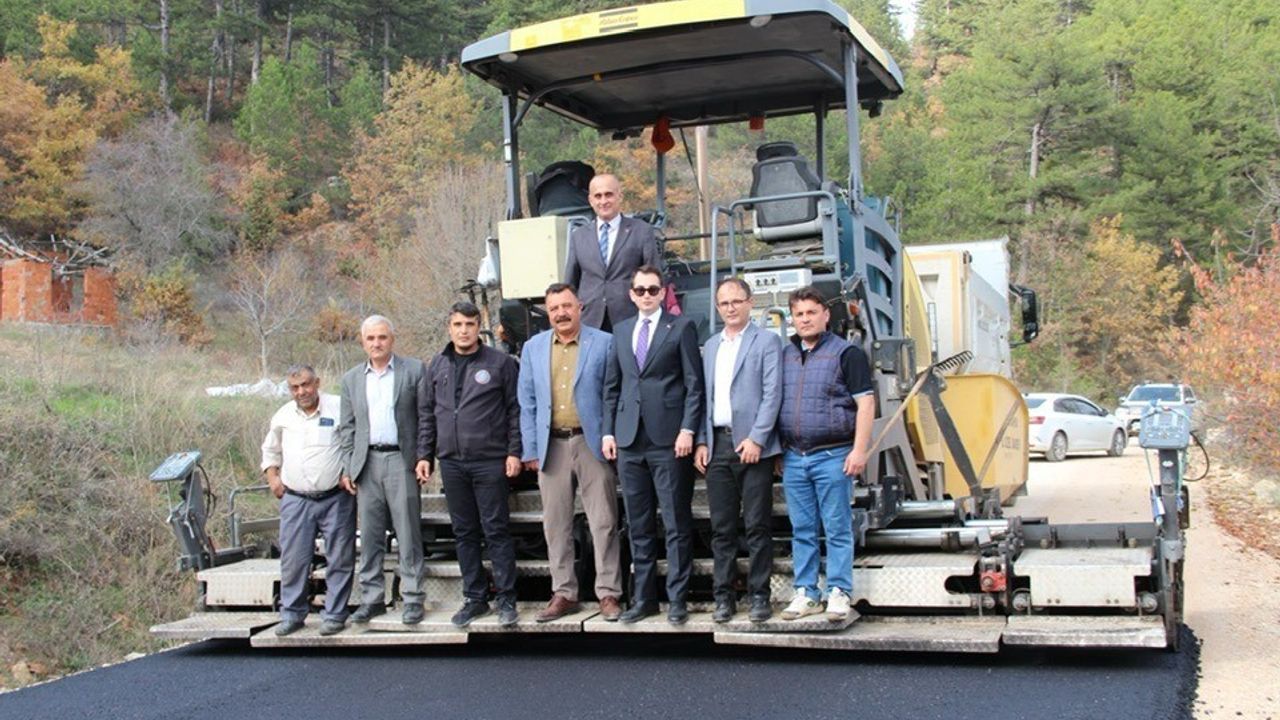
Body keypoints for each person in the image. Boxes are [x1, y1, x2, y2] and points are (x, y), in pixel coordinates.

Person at [603, 265, 704, 625]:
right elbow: (613, 386)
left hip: (669, 440)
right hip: (630, 441)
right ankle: (644, 599)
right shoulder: (621, 331)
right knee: (638, 524)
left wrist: (688, 430)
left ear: (663, 293)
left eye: (653, 290)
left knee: (676, 523)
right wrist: (608, 432)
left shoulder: (681, 328)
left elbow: (695, 384)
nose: (646, 295)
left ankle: (677, 600)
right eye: (640, 290)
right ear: (631, 294)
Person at [517, 283, 624, 623]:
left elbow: (613, 396)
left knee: (604, 521)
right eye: (554, 309)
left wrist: (610, 435)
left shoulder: (604, 343)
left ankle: (608, 593)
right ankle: (564, 592)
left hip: (591, 444)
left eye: (566, 306)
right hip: (552, 446)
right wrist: (531, 448)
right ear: (547, 313)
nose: (561, 313)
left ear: (580, 306)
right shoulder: (532, 348)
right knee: (556, 525)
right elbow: (527, 402)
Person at [416, 302, 523, 628]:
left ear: (479, 327)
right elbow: (427, 414)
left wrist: (514, 452)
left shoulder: (500, 363)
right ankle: (475, 598)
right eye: (458, 324)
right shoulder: (437, 365)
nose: (464, 330)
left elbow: (515, 410)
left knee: (496, 531)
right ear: (449, 327)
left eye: (470, 324)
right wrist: (424, 454)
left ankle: (506, 599)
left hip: (490, 461)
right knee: (464, 532)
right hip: (451, 462)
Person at [776, 287, 875, 622]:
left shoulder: (847, 354)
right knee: (801, 528)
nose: (804, 319)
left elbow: (866, 403)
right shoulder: (785, 353)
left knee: (836, 527)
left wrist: (859, 449)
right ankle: (806, 592)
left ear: (825, 315)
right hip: (794, 457)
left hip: (833, 455)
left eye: (811, 312)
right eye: (799, 314)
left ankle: (838, 591)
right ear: (792, 318)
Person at [693, 278, 784, 624]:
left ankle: (760, 596)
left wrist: (758, 438)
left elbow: (772, 393)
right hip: (718, 446)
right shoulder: (712, 345)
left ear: (750, 303)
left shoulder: (767, 342)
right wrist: (702, 440)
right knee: (722, 528)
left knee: (758, 525)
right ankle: (723, 598)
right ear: (717, 308)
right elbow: (705, 397)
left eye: (736, 301)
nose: (730, 308)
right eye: (723, 303)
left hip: (752, 448)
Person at [338, 315, 428, 625]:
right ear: (362, 342)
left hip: (401, 460)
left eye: (382, 338)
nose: (377, 343)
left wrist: (423, 456)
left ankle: (413, 597)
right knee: (372, 536)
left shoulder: (413, 370)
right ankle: (372, 597)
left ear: (392, 339)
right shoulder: (351, 379)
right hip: (367, 464)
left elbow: (425, 417)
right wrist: (348, 466)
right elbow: (347, 428)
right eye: (371, 339)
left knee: (408, 533)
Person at [261, 365, 355, 637]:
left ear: (317, 383)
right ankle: (292, 614)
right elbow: (270, 450)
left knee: (340, 558)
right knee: (294, 559)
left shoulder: (339, 408)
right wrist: (273, 479)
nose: (301, 391)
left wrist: (349, 472)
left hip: (336, 498)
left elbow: (353, 442)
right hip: (296, 499)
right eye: (295, 387)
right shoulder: (283, 415)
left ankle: (335, 614)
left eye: (306, 385)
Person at [564, 173, 663, 331]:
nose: (603, 201)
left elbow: (655, 278)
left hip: (630, 318)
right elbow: (570, 282)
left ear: (620, 196)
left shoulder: (642, 231)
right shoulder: (579, 236)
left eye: (608, 194)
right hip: (590, 320)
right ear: (590, 200)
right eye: (598, 196)